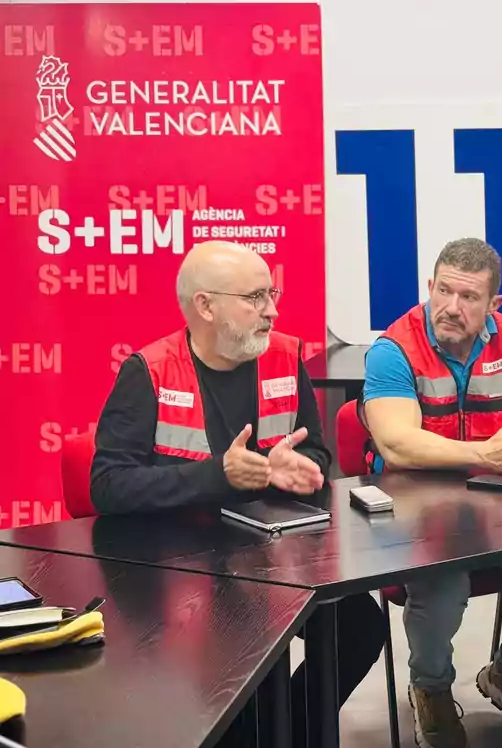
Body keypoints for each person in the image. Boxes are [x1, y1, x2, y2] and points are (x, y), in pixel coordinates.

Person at [90, 240, 387, 745]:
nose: (272, 310)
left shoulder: (284, 357)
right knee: (239, 655)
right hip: (176, 566)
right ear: (206, 306)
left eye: (271, 293)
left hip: (269, 557)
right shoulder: (150, 373)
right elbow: (108, 484)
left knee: (360, 624)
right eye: (255, 298)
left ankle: (286, 732)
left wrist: (302, 468)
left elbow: (315, 452)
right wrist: (217, 476)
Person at [361, 237, 502, 747]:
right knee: (444, 590)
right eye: (443, 292)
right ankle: (432, 688)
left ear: (493, 305)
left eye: (468, 298)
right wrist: (489, 454)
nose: (451, 308)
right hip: (420, 512)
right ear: (430, 286)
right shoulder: (393, 349)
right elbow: (397, 444)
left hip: (499, 505)